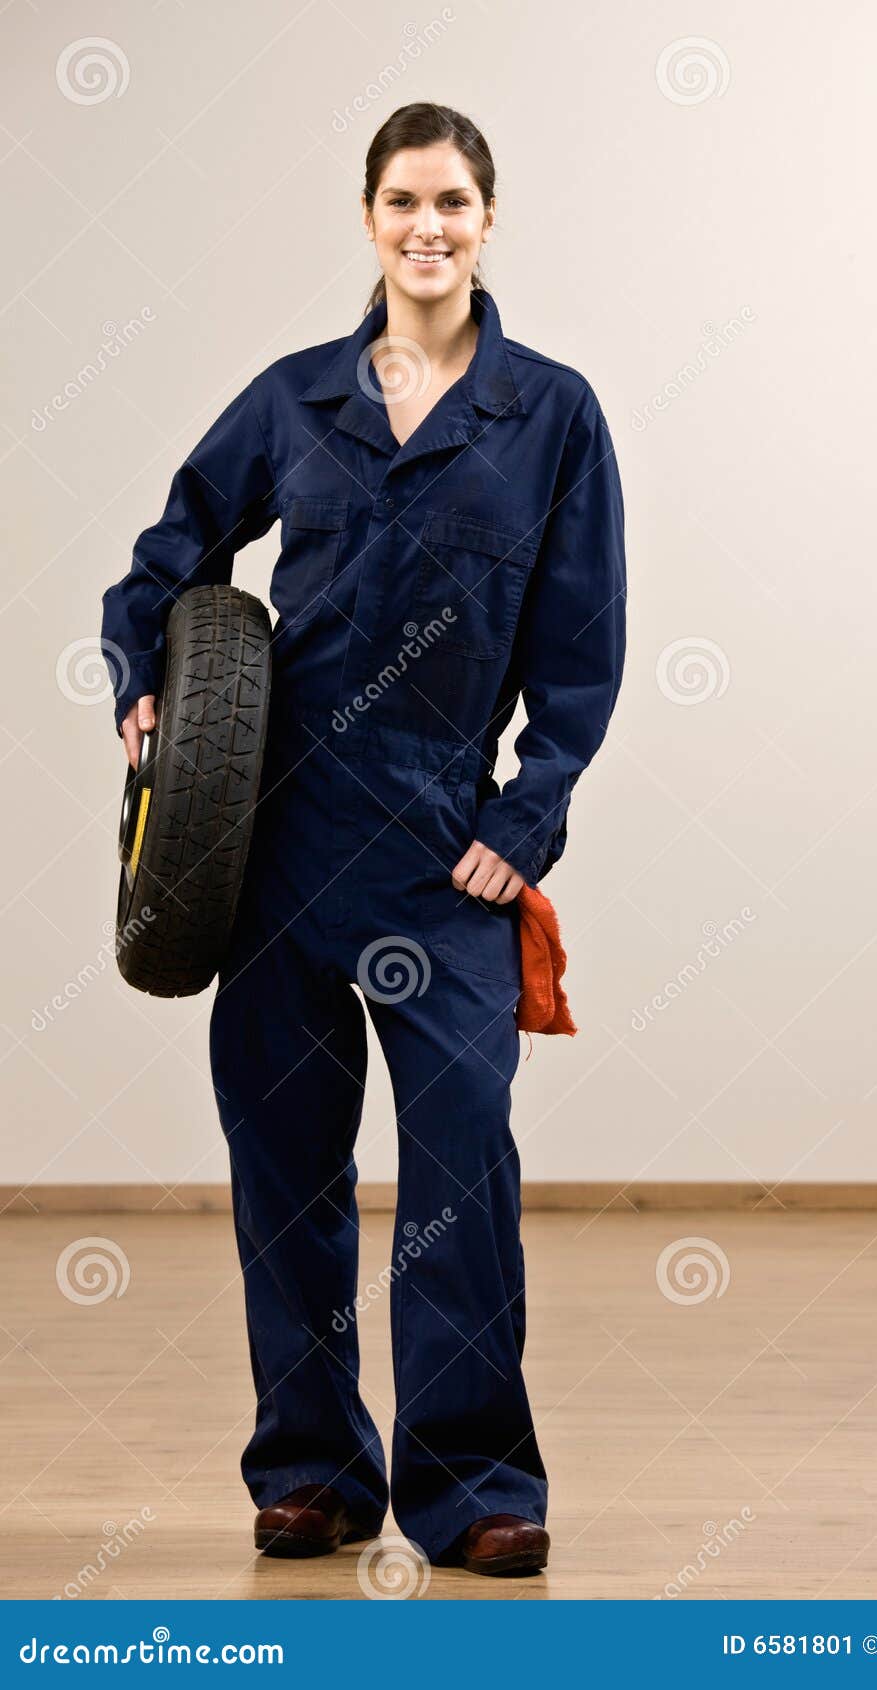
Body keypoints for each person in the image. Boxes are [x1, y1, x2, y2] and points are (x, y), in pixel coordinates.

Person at [100, 102, 627, 1577]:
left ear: (488, 216)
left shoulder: (552, 415)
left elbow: (583, 652)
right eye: (405, 200)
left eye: (454, 200)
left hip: (443, 852)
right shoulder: (296, 400)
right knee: (288, 1174)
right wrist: (142, 683)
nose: (429, 225)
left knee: (459, 1173)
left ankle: (473, 1485)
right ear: (369, 213)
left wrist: (524, 824)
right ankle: (316, 1474)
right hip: (277, 842)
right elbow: (165, 561)